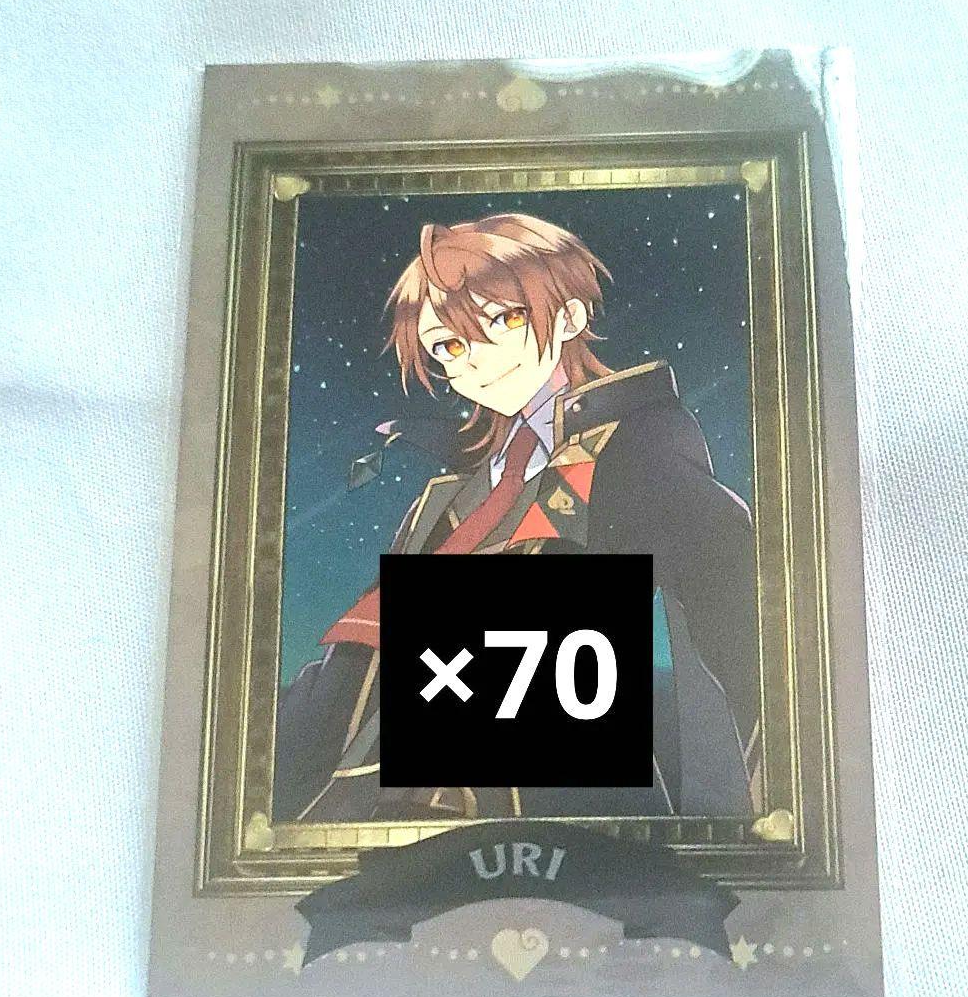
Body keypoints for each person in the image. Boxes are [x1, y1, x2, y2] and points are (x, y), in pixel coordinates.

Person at [273, 213, 758, 824]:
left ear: (571, 317)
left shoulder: (630, 448)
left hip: (558, 802)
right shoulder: (446, 498)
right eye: (449, 346)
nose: (475, 359)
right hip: (402, 793)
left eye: (503, 320)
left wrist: (726, 816)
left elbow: (739, 601)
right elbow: (359, 663)